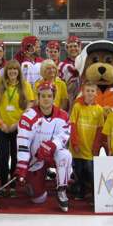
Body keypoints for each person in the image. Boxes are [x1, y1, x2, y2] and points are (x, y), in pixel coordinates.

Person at [15, 82, 72, 212]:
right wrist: (22, 166)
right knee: (38, 198)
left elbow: (64, 136)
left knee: (65, 155)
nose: (46, 99)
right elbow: (23, 142)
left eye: (49, 96)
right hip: (35, 158)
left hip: (53, 154)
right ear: (38, 97)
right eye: (43, 96)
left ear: (53, 97)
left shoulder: (63, 115)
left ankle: (62, 189)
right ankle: (38, 178)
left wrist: (52, 145)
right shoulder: (28, 116)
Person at [0, 60, 34, 197]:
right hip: (1, 127)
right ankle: (4, 185)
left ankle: (14, 185)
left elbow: (29, 106)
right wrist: (2, 123)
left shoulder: (25, 86)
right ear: (6, 71)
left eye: (15, 69)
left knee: (16, 157)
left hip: (19, 128)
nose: (12, 72)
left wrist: (16, 124)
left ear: (19, 71)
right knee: (3, 157)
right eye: (10, 69)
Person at [69, 82, 104, 200]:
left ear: (96, 93)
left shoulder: (99, 110)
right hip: (78, 147)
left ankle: (95, 194)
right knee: (78, 171)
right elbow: (72, 125)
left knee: (90, 170)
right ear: (83, 92)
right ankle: (80, 191)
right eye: (87, 90)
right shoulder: (77, 107)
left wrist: (96, 147)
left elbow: (100, 131)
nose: (90, 93)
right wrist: (74, 143)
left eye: (92, 91)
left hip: (90, 148)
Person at [59, 35, 82, 109]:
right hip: (68, 103)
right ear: (67, 48)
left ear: (79, 47)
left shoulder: (85, 63)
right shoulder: (62, 66)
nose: (73, 49)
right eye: (70, 46)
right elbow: (59, 88)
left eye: (75, 46)